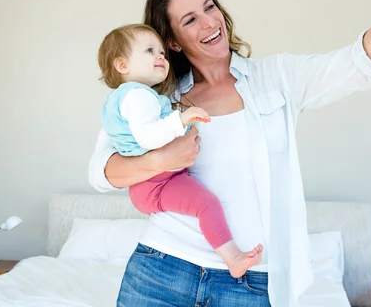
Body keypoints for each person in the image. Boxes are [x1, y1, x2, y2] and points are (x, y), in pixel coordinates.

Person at [89, 0, 371, 307]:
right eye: (190, 19)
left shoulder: (275, 79)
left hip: (251, 282)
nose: (210, 22)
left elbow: (358, 65)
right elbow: (101, 172)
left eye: (210, 7)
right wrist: (157, 161)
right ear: (172, 42)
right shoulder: (156, 97)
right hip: (161, 268)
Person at [96, 23, 264, 278]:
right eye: (150, 50)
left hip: (154, 182)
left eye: (161, 51)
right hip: (158, 181)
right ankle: (233, 257)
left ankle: (233, 257)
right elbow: (148, 137)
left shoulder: (123, 98)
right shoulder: (138, 97)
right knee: (206, 205)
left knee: (204, 204)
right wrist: (181, 120)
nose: (160, 56)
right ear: (122, 65)